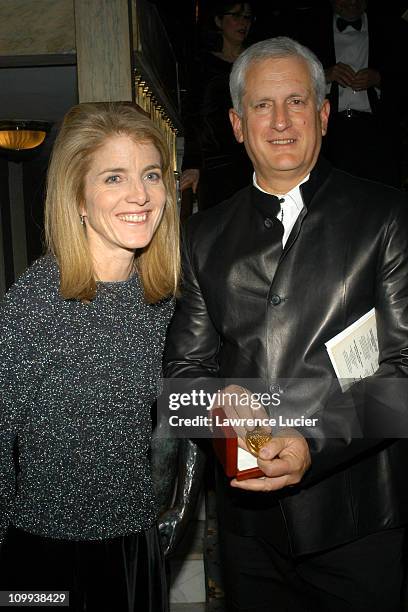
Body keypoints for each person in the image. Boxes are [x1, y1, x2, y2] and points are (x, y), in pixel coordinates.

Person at [165, 37, 408, 612]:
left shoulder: (387, 217)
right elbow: (182, 379)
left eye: (296, 102)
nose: (280, 122)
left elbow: (402, 376)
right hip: (251, 533)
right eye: (261, 106)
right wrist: (229, 420)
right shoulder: (202, 237)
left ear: (324, 115)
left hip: (360, 521)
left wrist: (310, 438)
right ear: (236, 123)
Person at [0, 102, 180, 612]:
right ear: (78, 197)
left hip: (136, 545)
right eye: (113, 178)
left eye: (150, 174)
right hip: (44, 555)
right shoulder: (36, 301)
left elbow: (187, 405)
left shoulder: (162, 300)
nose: (139, 195)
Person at [297, 0, 407, 186]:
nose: (351, 1)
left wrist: (379, 79)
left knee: (380, 197)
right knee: (332, 196)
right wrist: (325, 76)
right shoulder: (310, 30)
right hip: (328, 130)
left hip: (378, 129)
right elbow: (295, 82)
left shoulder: (392, 29)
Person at [180, 1, 254, 210]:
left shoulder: (258, 62)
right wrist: (192, 164)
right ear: (218, 21)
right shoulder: (203, 64)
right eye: (237, 15)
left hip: (256, 156)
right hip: (215, 163)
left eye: (248, 17)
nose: (243, 22)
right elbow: (194, 117)